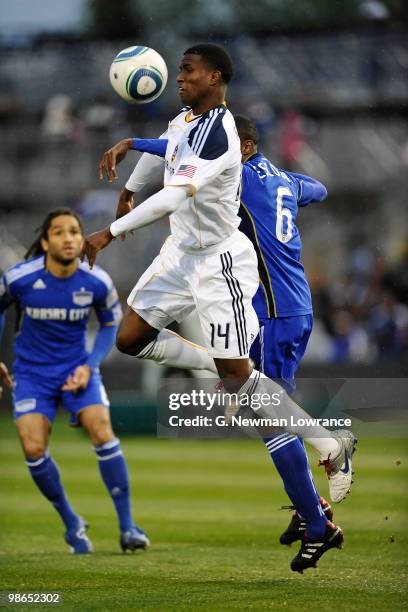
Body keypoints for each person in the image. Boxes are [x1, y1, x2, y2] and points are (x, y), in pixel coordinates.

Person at [81, 43, 351, 572]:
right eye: (178, 69)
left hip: (218, 262)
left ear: (217, 77)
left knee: (247, 393)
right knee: (130, 338)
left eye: (188, 70)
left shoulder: (221, 132)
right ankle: (238, 377)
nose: (178, 77)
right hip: (179, 254)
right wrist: (128, 184)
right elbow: (166, 144)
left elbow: (176, 195)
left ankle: (328, 445)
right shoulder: (187, 118)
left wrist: (110, 232)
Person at [0, 209, 149, 554]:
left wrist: (90, 365)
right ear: (45, 241)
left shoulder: (97, 280)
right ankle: (72, 523)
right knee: (33, 448)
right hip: (32, 374)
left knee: (102, 431)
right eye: (59, 232)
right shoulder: (19, 278)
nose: (68, 238)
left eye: (74, 232)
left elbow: (111, 324)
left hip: (77, 369)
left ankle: (128, 528)